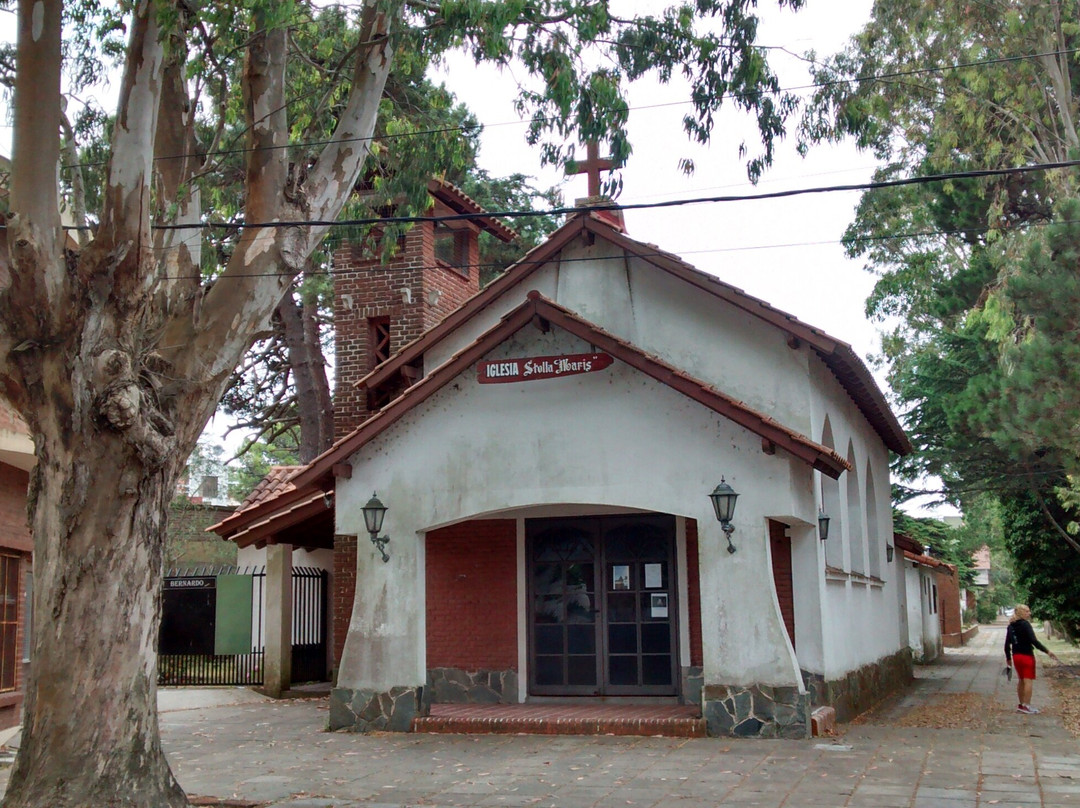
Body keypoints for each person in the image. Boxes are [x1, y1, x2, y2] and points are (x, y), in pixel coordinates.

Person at [1004, 604, 1060, 714]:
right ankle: (1027, 705)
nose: (1029, 613)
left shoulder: (1011, 626)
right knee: (1028, 680)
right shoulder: (1026, 625)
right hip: (1026, 656)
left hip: (1016, 656)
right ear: (1020, 613)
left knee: (1021, 680)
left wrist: (1008, 658)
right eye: (1027, 611)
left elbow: (1007, 644)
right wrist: (1047, 651)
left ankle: (1021, 704)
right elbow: (1034, 641)